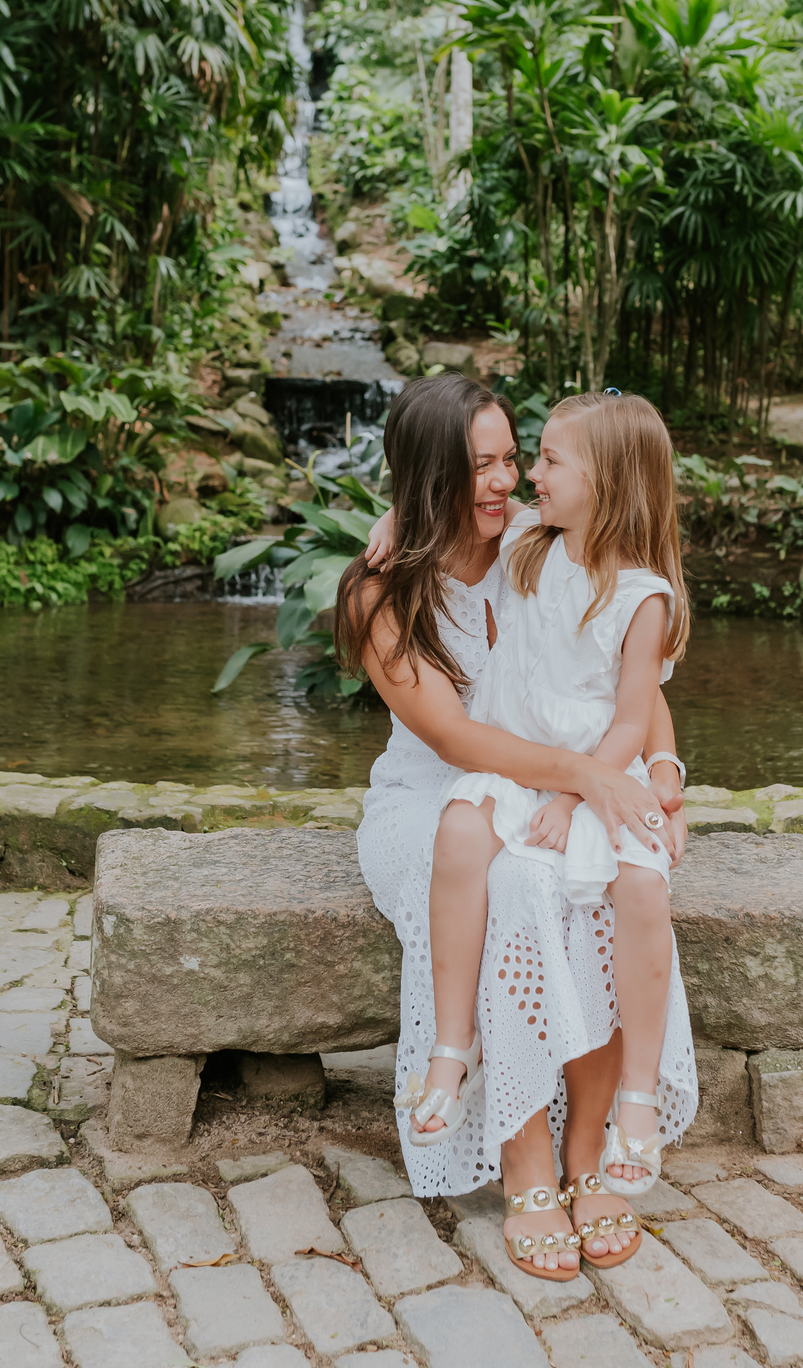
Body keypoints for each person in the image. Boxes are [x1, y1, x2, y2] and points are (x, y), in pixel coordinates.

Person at [335, 375, 692, 1284]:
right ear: (425, 481)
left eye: (510, 458)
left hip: (556, 779)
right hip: (434, 797)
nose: (503, 481)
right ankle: (524, 1157)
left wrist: (656, 772)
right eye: (479, 466)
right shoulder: (381, 595)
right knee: (502, 883)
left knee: (588, 889)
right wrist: (588, 781)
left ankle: (590, 1145)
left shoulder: (536, 542)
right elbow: (454, 737)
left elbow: (621, 673)